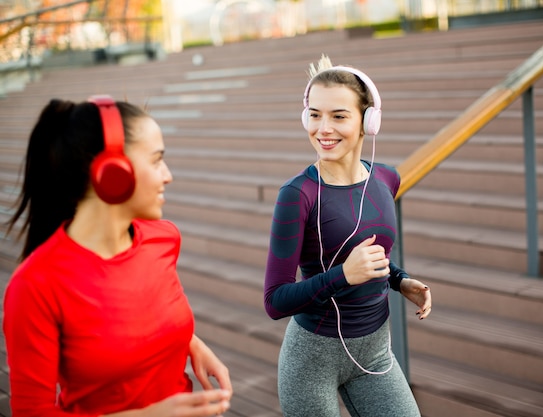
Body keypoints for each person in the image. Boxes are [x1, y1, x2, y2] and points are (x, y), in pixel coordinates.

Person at [2, 96, 232, 416]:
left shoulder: (163, 238)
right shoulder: (34, 285)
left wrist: (190, 343)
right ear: (113, 172)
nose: (168, 175)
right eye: (155, 160)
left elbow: (132, 317)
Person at [264, 55, 432, 417]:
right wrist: (344, 275)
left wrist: (398, 279)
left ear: (368, 121)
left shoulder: (386, 179)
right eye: (315, 114)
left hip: (375, 350)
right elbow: (274, 301)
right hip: (311, 361)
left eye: (339, 116)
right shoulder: (297, 195)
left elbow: (368, 251)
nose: (323, 128)